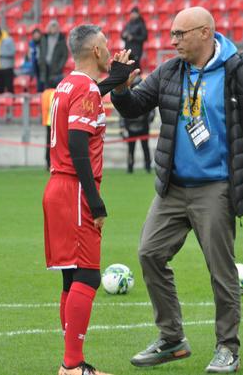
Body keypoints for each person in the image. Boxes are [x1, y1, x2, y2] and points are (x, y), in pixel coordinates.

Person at [111, 7, 243, 373]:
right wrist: (120, 87)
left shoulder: (238, 72)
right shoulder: (171, 71)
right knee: (149, 253)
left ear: (205, 33)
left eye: (180, 34)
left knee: (221, 271)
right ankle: (172, 339)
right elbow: (136, 108)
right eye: (172, 34)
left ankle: (228, 349)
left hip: (217, 187)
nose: (173, 41)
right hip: (172, 188)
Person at [43, 24, 138, 375]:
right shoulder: (83, 88)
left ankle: (70, 363)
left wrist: (115, 80)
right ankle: (72, 365)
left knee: (71, 278)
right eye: (107, 45)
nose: (110, 49)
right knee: (88, 276)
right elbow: (80, 144)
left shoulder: (68, 84)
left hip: (58, 188)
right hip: (76, 189)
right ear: (97, 51)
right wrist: (95, 201)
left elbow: (91, 95)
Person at [121, 77, 154, 173]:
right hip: (131, 127)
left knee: (145, 148)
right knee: (131, 149)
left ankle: (148, 166)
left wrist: (149, 119)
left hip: (144, 126)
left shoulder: (147, 96)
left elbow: (152, 110)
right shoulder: (127, 97)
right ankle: (130, 167)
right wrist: (122, 127)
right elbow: (122, 113)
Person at [39, 20, 69, 90]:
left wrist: (59, 67)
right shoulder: (44, 38)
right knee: (46, 89)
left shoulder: (61, 39)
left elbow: (65, 55)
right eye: (52, 27)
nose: (53, 29)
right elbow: (41, 52)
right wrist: (41, 62)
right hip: (45, 67)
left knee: (56, 89)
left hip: (56, 69)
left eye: (55, 27)